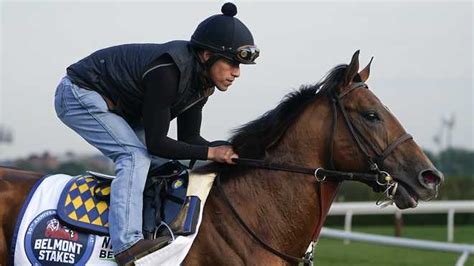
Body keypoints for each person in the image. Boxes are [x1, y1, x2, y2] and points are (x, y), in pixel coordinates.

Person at [53, 2, 259, 265]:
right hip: (78, 93)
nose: (236, 73)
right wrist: (211, 152)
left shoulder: (202, 84)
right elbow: (157, 142)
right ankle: (127, 244)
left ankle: (151, 225)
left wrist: (229, 151)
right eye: (231, 63)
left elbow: (189, 141)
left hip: (118, 107)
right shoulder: (168, 72)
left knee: (166, 165)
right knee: (135, 157)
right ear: (207, 55)